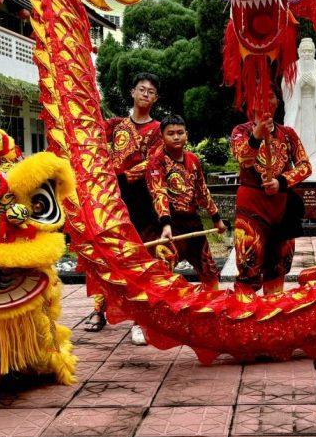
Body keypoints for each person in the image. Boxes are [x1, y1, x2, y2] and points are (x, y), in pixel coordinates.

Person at [87, 72, 163, 345]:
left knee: (143, 254)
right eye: (141, 89)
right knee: (107, 252)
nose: (145, 94)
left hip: (145, 197)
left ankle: (140, 319)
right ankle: (99, 308)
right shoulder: (116, 125)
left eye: (151, 91)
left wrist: (134, 171)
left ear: (155, 98)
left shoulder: (158, 129)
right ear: (132, 92)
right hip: (114, 196)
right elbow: (92, 139)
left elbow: (157, 159)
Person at [231, 86, 312, 295]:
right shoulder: (241, 131)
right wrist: (256, 136)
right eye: (258, 96)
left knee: (279, 264)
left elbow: (305, 166)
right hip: (252, 205)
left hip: (281, 206)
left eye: (270, 96)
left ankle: (273, 310)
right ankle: (245, 312)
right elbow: (242, 159)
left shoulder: (288, 134)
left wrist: (281, 182)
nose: (265, 101)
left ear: (278, 102)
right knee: (247, 262)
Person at [146, 115, 227, 288]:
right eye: (171, 133)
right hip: (170, 225)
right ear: (162, 137)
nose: (176, 137)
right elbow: (159, 193)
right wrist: (166, 225)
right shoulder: (156, 162)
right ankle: (164, 305)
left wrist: (216, 218)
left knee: (209, 269)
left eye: (180, 132)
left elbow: (202, 191)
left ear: (186, 135)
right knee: (164, 264)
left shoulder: (193, 159)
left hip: (193, 222)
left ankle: (214, 302)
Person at [282, 37, 316, 181]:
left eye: (310, 51)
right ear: (298, 52)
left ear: (314, 52)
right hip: (298, 111)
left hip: (315, 110)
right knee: (297, 138)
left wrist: (315, 83)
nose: (307, 54)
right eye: (304, 51)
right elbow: (285, 88)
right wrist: (298, 84)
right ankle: (297, 162)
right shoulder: (291, 68)